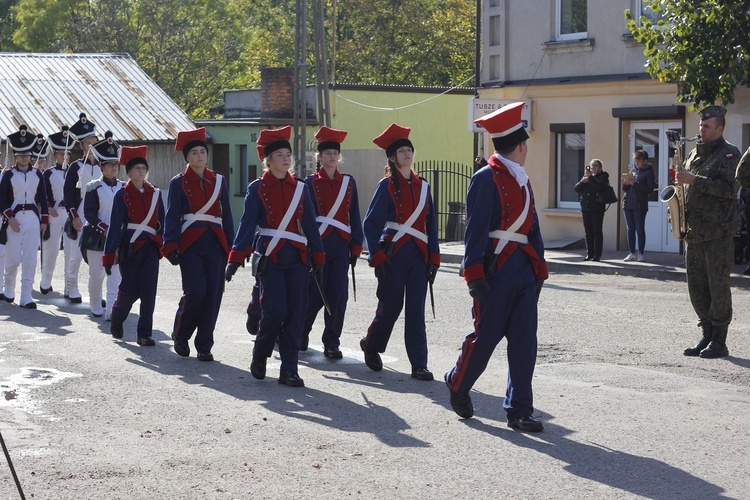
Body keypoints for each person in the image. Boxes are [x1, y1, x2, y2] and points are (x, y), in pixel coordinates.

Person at [444, 102, 548, 431]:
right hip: (494, 270)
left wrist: (539, 269)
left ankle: (519, 410)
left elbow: (532, 227)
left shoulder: (522, 179)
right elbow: (474, 231)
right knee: (485, 338)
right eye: (525, 145)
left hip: (523, 272)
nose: (527, 149)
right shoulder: (485, 178)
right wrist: (473, 274)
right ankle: (457, 383)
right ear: (520, 146)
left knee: (524, 341)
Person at [225, 126, 325, 387]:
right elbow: (247, 224)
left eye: (287, 154)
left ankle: (289, 369)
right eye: (278, 155)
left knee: (296, 313)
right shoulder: (257, 188)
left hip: (298, 258)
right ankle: (260, 353)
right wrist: (235, 258)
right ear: (267, 160)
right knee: (274, 310)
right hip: (271, 256)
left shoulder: (301, 189)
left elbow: (311, 225)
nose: (285, 159)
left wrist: (319, 257)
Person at [360, 123, 440, 381]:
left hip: (418, 255)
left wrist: (434, 258)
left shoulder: (424, 186)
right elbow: (370, 224)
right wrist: (377, 256)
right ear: (393, 158)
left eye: (409, 149)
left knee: (416, 310)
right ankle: (371, 345)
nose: (407, 154)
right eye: (401, 151)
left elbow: (432, 226)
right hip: (393, 255)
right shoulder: (385, 186)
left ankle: (419, 364)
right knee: (390, 308)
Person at [163, 127, 234, 362]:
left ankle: (204, 344)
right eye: (194, 152)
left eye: (203, 152)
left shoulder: (219, 180)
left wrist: (233, 248)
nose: (200, 156)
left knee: (213, 295)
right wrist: (170, 244)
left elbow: (228, 216)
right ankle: (181, 334)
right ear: (187, 157)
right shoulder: (178, 182)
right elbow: (172, 215)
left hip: (216, 242)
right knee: (196, 292)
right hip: (190, 243)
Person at [679, 105, 741, 359]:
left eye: (706, 126)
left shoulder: (729, 155)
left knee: (718, 287)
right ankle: (706, 333)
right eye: (700, 125)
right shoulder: (694, 154)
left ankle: (720, 340)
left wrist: (695, 181)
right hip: (694, 232)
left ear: (719, 128)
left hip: (718, 233)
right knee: (697, 287)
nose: (701, 130)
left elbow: (729, 189)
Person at [300, 126, 364, 359]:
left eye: (335, 153)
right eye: (327, 153)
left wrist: (356, 245)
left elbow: (354, 215)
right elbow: (305, 218)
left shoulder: (349, 183)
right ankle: (301, 332)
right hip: (317, 245)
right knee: (313, 293)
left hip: (340, 246)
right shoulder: (308, 184)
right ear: (319, 157)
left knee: (338, 296)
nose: (331, 157)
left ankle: (332, 342)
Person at [103, 146, 164, 345]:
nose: (140, 171)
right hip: (129, 246)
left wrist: (164, 244)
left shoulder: (155, 193)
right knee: (129, 290)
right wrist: (109, 255)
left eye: (143, 168)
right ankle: (117, 317)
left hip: (151, 247)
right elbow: (114, 227)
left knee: (149, 292)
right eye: (136, 168)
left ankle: (144, 334)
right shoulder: (121, 195)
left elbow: (162, 222)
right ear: (128, 172)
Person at [0, 125, 49, 308]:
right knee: (13, 259)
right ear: (15, 156)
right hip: (14, 219)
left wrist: (44, 221)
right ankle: (9, 288)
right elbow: (2, 199)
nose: (24, 157)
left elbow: (43, 199)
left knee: (30, 259)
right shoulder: (8, 175)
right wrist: (9, 218)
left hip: (32, 221)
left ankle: (26, 296)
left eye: (27, 154)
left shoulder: (38, 174)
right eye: (21, 154)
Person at [82, 132, 123, 319]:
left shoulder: (124, 187)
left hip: (117, 237)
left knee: (116, 276)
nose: (113, 168)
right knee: (97, 275)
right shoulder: (93, 187)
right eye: (109, 165)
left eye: (115, 164)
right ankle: (95, 303)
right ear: (102, 167)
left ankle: (112, 309)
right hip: (97, 236)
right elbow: (89, 213)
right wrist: (103, 227)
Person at [63, 113, 101, 303]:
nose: (92, 146)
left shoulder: (105, 166)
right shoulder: (75, 167)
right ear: (82, 146)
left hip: (100, 215)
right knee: (75, 255)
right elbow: (68, 195)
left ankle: (97, 293)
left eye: (94, 142)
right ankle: (72, 287)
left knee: (100, 257)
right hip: (80, 214)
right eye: (88, 143)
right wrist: (74, 216)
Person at [40, 125, 74, 295]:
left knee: (70, 251)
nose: (65, 157)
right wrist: (47, 207)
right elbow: (42, 193)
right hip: (54, 213)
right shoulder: (48, 173)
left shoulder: (75, 172)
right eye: (62, 154)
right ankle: (45, 281)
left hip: (69, 214)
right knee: (51, 250)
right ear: (55, 156)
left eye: (67, 154)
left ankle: (69, 287)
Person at [621, 149, 655, 262]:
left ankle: (640, 253)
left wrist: (634, 184)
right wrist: (625, 184)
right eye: (636, 161)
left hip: (640, 205)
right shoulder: (633, 170)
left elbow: (649, 189)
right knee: (630, 229)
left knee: (639, 229)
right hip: (628, 203)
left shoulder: (649, 172)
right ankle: (631, 253)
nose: (637, 164)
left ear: (645, 161)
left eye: (639, 161)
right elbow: (625, 189)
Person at [574, 159, 609, 261]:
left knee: (597, 231)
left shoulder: (603, 176)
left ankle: (597, 255)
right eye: (591, 166)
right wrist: (582, 182)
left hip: (597, 208)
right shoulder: (587, 177)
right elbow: (576, 189)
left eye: (595, 166)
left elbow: (600, 187)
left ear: (600, 167)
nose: (593, 168)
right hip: (586, 207)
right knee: (588, 232)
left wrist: (591, 178)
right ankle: (590, 254)